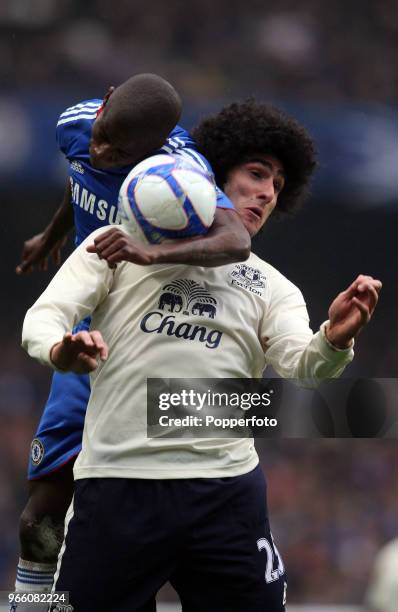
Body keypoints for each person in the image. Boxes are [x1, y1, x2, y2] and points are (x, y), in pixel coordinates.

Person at [21, 100, 381, 612]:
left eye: (278, 185)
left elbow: (304, 365)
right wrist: (60, 348)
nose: (266, 192)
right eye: (256, 174)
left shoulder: (270, 285)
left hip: (226, 494)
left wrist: (335, 338)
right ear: (210, 177)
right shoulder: (115, 247)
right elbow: (43, 317)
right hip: (119, 489)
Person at [12, 73, 251, 607]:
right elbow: (82, 173)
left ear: (151, 152)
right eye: (101, 133)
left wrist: (152, 255)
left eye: (117, 151)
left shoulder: (179, 170)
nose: (100, 150)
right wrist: (54, 232)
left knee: (139, 540)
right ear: (105, 102)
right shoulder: (75, 122)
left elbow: (236, 237)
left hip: (146, 343)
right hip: (85, 332)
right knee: (40, 519)